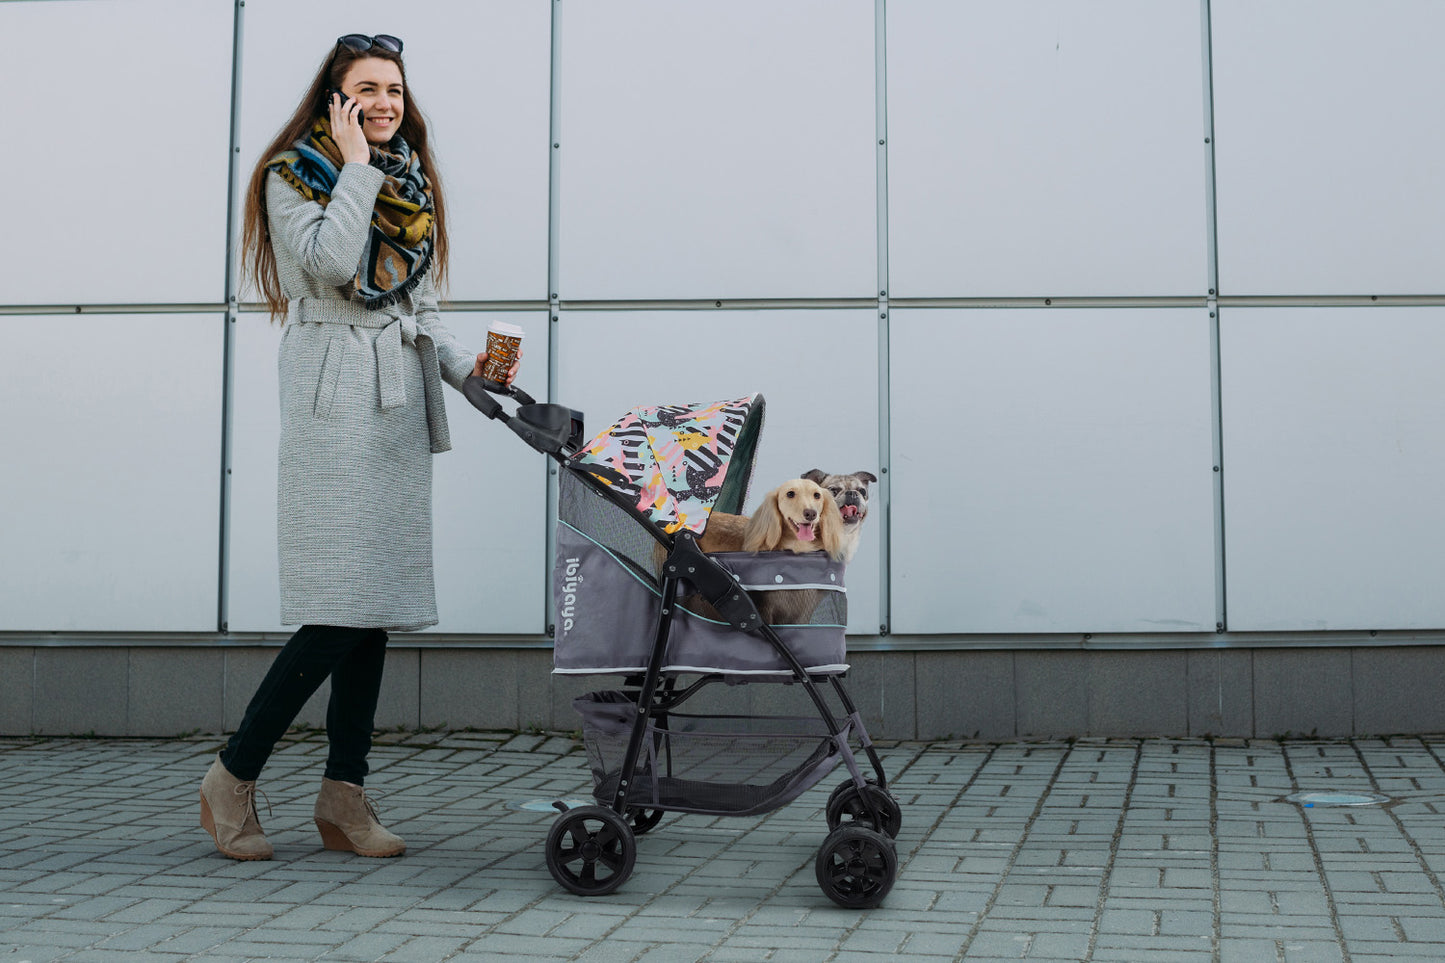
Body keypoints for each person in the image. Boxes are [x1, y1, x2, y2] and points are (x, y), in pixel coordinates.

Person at [199, 33, 518, 861]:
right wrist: (352, 165)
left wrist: (475, 379)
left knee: (372, 612)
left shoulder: (405, 182)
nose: (384, 104)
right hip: (334, 396)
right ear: (334, 100)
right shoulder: (293, 175)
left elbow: (424, 309)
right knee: (338, 607)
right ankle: (231, 778)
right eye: (367, 89)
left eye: (395, 91)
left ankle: (345, 796)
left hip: (395, 406)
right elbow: (332, 260)